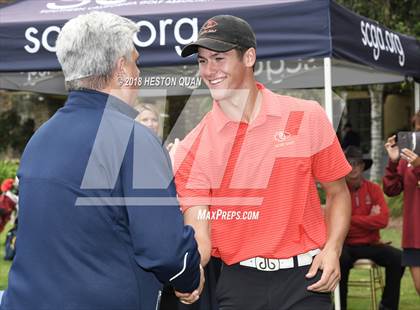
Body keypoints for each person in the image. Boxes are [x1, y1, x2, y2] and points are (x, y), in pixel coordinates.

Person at [0, 11, 204, 310]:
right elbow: (164, 249)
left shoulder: (40, 138)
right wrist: (188, 277)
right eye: (136, 62)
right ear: (121, 67)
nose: (138, 74)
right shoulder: (133, 139)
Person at [173, 15, 352, 309]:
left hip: (306, 279)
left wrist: (332, 249)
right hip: (239, 284)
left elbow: (338, 192)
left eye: (219, 58)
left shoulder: (305, 115)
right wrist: (194, 270)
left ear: (249, 57)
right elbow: (199, 231)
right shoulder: (192, 145)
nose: (209, 70)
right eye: (202, 61)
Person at [339, 146, 404, 310]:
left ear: (362, 166)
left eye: (357, 163)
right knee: (339, 260)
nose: (352, 167)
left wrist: (349, 219)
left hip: (371, 244)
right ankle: (340, 306)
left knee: (399, 258)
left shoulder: (373, 189)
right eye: (348, 163)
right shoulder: (338, 190)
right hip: (345, 244)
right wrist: (369, 219)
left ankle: (387, 306)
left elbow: (383, 220)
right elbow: (334, 222)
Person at [383, 110, 420, 295]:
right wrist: (393, 161)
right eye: (417, 128)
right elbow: (391, 189)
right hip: (415, 234)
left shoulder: (415, 161)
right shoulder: (409, 157)